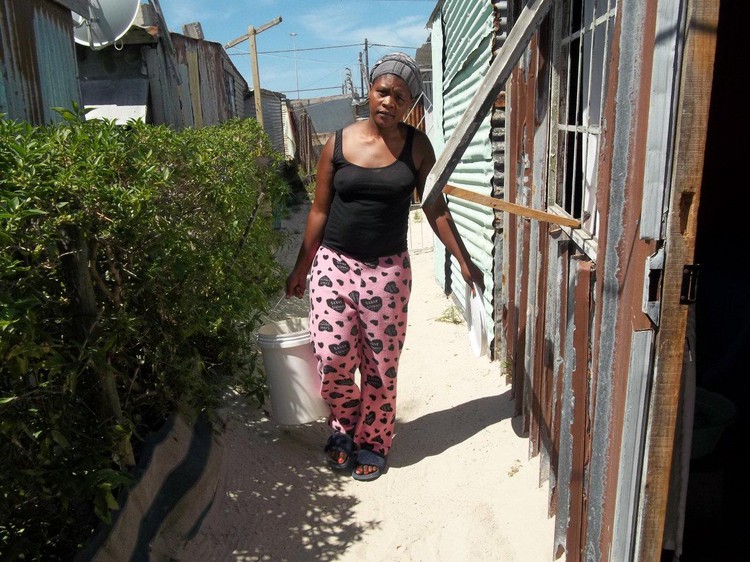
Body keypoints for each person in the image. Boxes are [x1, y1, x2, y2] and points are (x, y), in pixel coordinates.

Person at [285, 52, 484, 481]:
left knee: (379, 364)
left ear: (410, 104)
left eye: (400, 96)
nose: (389, 102)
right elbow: (319, 210)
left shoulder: (417, 147)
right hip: (334, 266)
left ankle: (373, 439)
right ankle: (343, 424)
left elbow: (436, 210)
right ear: (369, 91)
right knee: (332, 356)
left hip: (387, 274)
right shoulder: (336, 143)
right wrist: (302, 266)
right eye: (382, 91)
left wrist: (464, 260)